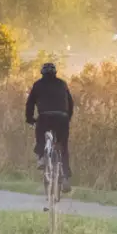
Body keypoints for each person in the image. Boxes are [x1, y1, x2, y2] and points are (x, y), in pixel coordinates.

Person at [24, 61, 74, 192]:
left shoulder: (38, 85)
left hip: (45, 117)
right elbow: (70, 103)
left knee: (40, 135)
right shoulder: (62, 84)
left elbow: (29, 104)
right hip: (62, 118)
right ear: (55, 73)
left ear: (42, 73)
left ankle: (41, 157)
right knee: (63, 147)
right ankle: (66, 177)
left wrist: (30, 119)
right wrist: (67, 118)